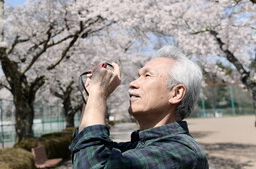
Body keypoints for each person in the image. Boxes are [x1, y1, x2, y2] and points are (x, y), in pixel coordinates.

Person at [69, 46, 209, 168]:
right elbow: (85, 157)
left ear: (176, 93)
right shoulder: (139, 146)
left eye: (147, 75)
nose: (133, 83)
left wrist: (98, 93)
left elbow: (94, 165)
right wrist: (90, 98)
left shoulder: (182, 152)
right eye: (138, 76)